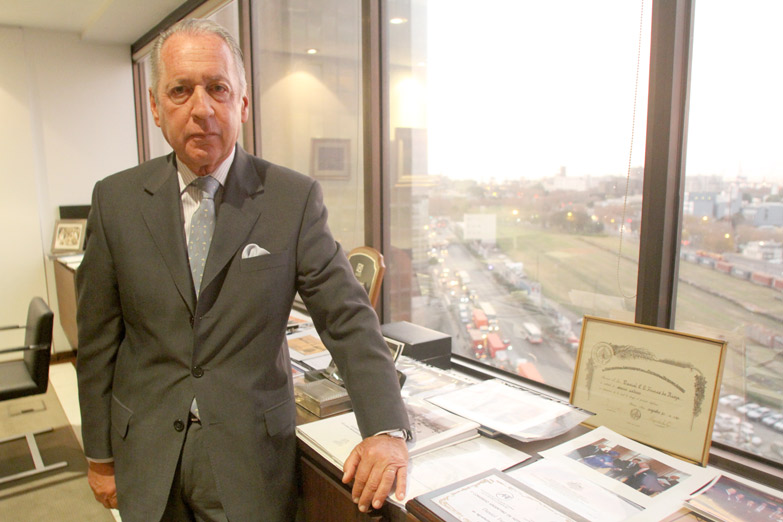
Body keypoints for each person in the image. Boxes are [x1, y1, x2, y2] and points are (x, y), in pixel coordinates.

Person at [76, 18, 410, 522]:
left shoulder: (292, 199)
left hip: (250, 459)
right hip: (145, 451)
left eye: (218, 88)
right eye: (181, 90)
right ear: (155, 107)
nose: (202, 108)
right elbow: (98, 340)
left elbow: (347, 318)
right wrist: (99, 455)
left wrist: (385, 428)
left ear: (243, 104)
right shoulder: (114, 200)